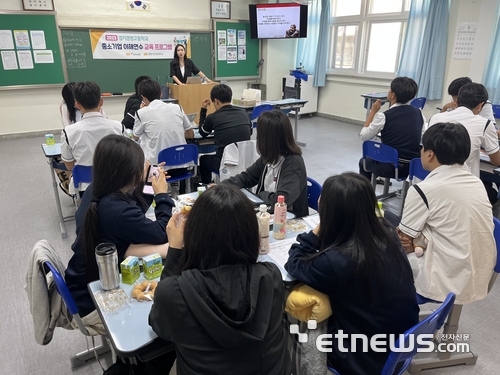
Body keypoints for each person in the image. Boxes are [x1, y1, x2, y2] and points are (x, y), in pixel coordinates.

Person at [285, 172, 419, 375]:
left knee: (294, 320)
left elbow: (294, 262)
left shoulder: (338, 261)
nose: (320, 200)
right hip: (401, 342)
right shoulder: (386, 232)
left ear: (333, 212)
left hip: (364, 357)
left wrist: (319, 229)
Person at [149, 184, 291, 375]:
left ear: (194, 235)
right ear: (251, 235)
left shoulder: (175, 292)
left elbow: (159, 325)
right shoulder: (270, 276)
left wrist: (174, 250)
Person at [65, 134, 174, 333]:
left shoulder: (98, 191)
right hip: (93, 298)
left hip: (82, 281)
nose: (143, 170)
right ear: (127, 173)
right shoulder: (117, 210)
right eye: (140, 167)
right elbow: (162, 232)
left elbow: (134, 215)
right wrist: (162, 195)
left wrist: (148, 184)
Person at [397, 123, 496, 305]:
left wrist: (418, 240)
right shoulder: (476, 183)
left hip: (444, 280)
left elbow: (404, 242)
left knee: (380, 253)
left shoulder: (422, 190)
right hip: (479, 273)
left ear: (429, 154)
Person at [224, 110, 308, 217]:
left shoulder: (294, 164)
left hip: (287, 220)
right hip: (266, 212)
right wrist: (222, 187)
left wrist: (260, 196)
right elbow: (247, 177)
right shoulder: (270, 157)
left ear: (266, 139)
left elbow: (280, 201)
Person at [60, 81, 124, 193]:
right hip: (115, 185)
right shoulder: (118, 127)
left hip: (85, 189)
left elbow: (69, 166)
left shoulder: (68, 132)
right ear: (101, 102)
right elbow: (127, 158)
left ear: (78, 104)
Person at [359, 76, 425, 182]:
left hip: (390, 168)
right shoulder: (419, 113)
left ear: (393, 94)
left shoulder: (384, 116)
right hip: (412, 167)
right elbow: (422, 136)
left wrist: (372, 112)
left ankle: (365, 194)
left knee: (363, 162)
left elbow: (364, 136)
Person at [428, 83, 500, 179]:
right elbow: (496, 161)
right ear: (480, 105)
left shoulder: (435, 118)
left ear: (457, 99)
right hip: (461, 181)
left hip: (431, 177)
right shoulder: (485, 124)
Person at [133, 78, 194, 168]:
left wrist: (142, 111)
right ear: (161, 94)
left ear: (143, 97)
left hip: (158, 170)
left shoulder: (141, 113)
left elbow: (135, 137)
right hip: (182, 166)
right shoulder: (177, 108)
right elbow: (190, 135)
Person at [198, 84, 252, 183]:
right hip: (245, 162)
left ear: (216, 101)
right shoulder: (244, 113)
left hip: (225, 163)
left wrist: (203, 110)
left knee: (203, 160)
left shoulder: (213, 117)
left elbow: (202, 132)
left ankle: (206, 188)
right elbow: (250, 132)